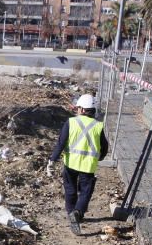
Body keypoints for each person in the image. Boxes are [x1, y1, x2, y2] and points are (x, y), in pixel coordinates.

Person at [46, 93, 109, 235]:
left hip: (70, 163)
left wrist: (52, 160)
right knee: (86, 191)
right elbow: (104, 147)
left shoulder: (71, 122)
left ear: (81, 109)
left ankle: (70, 213)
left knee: (70, 189)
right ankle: (78, 212)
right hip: (88, 166)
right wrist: (101, 157)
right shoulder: (98, 126)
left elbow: (60, 143)